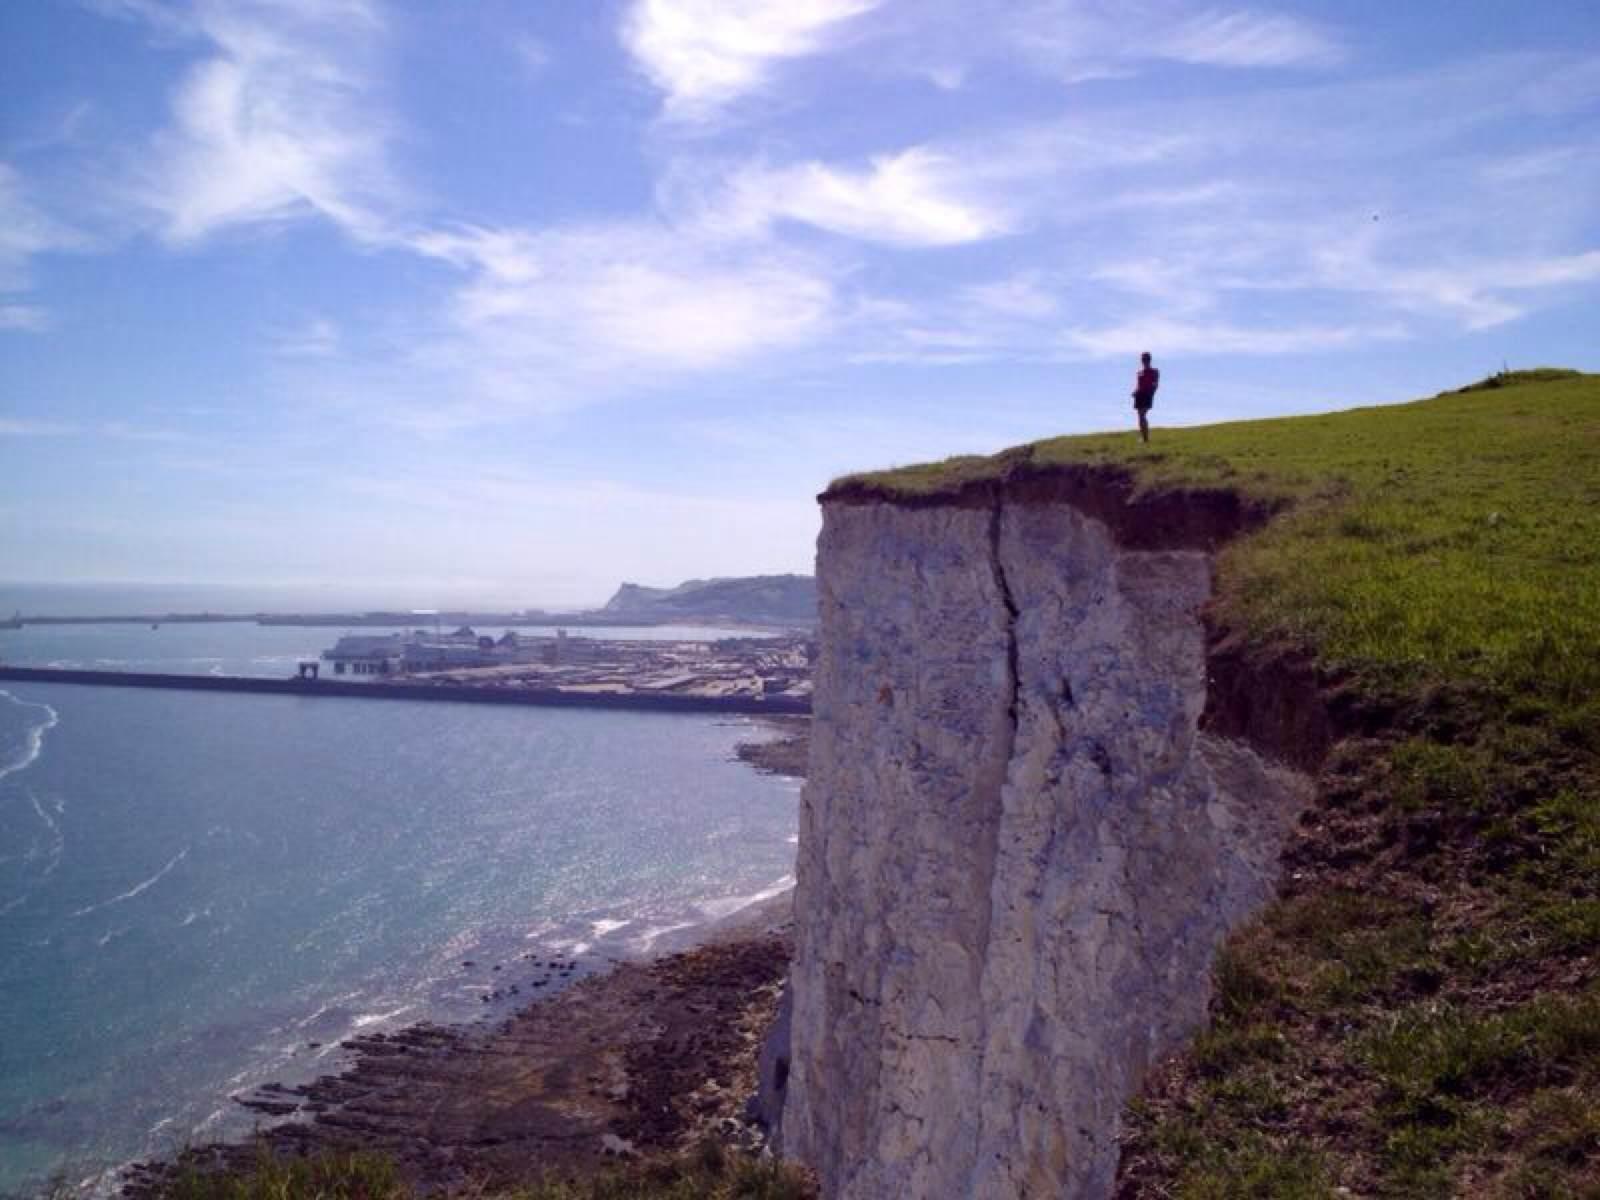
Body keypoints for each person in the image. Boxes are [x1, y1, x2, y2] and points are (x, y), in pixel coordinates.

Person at [1132, 351, 1159, 443]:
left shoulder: (1154, 371)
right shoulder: (1139, 373)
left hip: (1147, 394)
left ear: (1149, 360)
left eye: (1146, 359)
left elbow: (1155, 384)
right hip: (1139, 395)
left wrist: (1152, 393)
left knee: (1142, 415)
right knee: (1140, 416)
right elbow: (1138, 385)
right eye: (1143, 359)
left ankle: (1145, 438)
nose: (1144, 361)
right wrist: (1135, 392)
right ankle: (1144, 437)